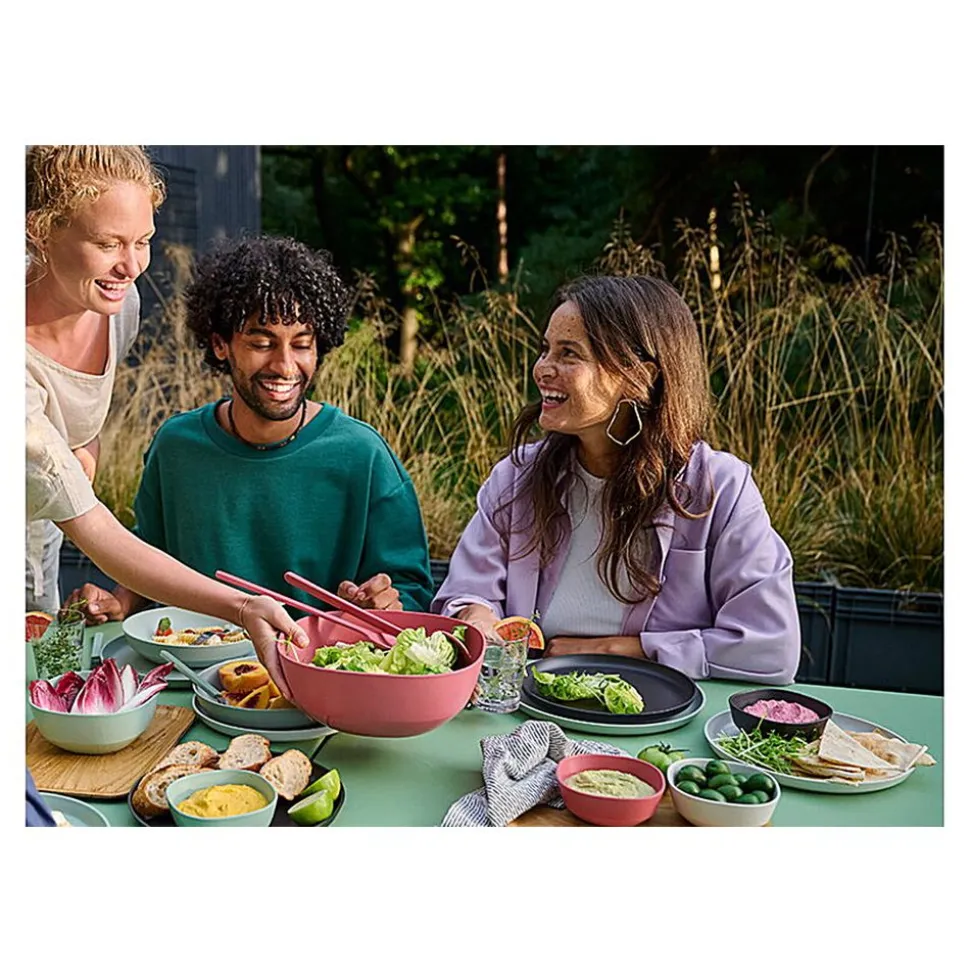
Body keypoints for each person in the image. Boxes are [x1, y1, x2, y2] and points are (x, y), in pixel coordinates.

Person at [66, 235, 435, 686]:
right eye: (262, 342)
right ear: (221, 344)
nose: (285, 366)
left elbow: (413, 595)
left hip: (315, 683)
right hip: (190, 680)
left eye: (302, 344)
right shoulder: (176, 447)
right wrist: (120, 601)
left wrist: (386, 603)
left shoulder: (363, 455)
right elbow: (150, 559)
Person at [432, 274, 801, 684]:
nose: (542, 369)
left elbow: (771, 647)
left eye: (569, 354)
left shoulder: (720, 489)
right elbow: (465, 594)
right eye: (545, 350)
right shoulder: (516, 478)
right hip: (529, 706)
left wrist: (620, 651)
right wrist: (476, 616)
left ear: (639, 377)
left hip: (664, 714)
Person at [26, 146, 308, 662]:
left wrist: (84, 444)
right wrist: (242, 606)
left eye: (143, 241)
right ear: (39, 230)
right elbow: (96, 531)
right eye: (107, 243)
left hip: (39, 537)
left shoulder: (117, 306)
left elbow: (80, 401)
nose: (132, 266)